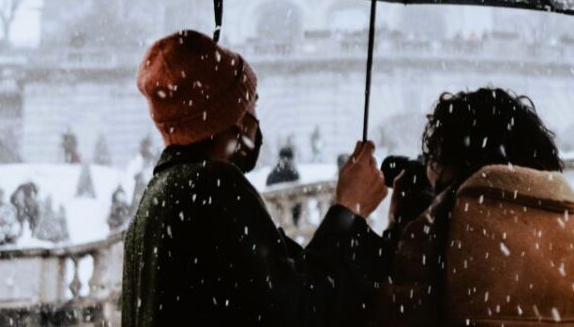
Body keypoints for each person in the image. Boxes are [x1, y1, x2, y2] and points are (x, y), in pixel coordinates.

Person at [121, 30, 387, 326]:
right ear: (234, 119)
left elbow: (280, 286)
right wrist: (350, 210)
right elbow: (301, 310)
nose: (256, 123)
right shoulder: (215, 187)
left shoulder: (159, 194)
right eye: (252, 105)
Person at [375, 87, 574, 326]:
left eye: (434, 158)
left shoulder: (448, 225)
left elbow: (392, 314)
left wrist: (398, 227)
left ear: (454, 159)